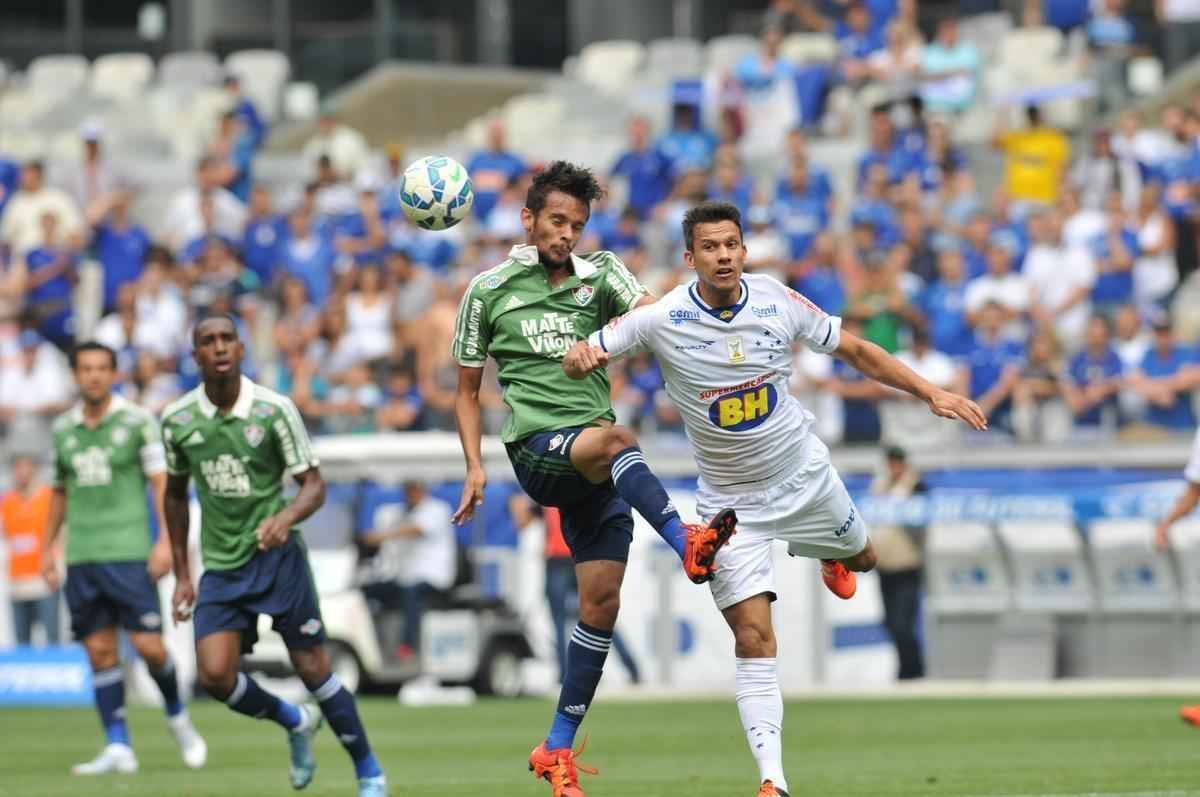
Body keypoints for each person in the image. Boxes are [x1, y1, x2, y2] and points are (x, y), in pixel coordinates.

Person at [563, 201, 986, 797]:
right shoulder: (662, 318)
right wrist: (581, 357)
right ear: (691, 258)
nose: (724, 255)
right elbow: (588, 352)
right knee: (753, 638)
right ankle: (774, 781)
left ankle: (829, 551)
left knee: (864, 560)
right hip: (730, 508)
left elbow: (857, 352)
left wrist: (930, 392)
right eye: (710, 247)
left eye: (732, 244)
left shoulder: (775, 300)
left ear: (744, 248)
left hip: (803, 477)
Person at [450, 162, 737, 796]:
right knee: (618, 437)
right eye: (556, 221)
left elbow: (654, 318)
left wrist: (624, 335)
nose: (567, 235)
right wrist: (474, 464)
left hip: (598, 468)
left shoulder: (601, 273)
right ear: (529, 220)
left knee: (600, 607)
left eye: (577, 225)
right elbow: (467, 391)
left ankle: (555, 751)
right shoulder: (489, 290)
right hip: (540, 451)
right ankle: (687, 540)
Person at [162, 315, 388, 796]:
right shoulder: (177, 420)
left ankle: (369, 770)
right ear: (196, 355)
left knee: (313, 669)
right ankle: (293, 720)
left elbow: (314, 486)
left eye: (227, 339)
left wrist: (284, 518)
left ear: (241, 349)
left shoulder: (274, 410)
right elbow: (175, 496)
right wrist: (184, 574)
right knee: (216, 677)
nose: (219, 347)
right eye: (208, 341)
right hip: (222, 565)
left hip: (278, 561)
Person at [40, 341, 205, 774]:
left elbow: (162, 485)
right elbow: (58, 492)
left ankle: (177, 716)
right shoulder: (63, 429)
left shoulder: (137, 422)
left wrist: (166, 543)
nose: (93, 375)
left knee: (150, 647)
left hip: (130, 553)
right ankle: (118, 745)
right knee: (99, 652)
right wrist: (48, 547)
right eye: (86, 368)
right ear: (76, 375)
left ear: (113, 374)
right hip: (82, 556)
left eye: (101, 368)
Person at [359, 480, 456, 655]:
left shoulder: (438, 509)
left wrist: (382, 536)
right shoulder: (400, 511)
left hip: (435, 580)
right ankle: (372, 645)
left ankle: (408, 647)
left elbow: (417, 529)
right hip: (404, 579)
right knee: (367, 591)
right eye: (406, 488)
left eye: (412, 488)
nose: (409, 493)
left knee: (410, 593)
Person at [869, 446, 927, 680]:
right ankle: (907, 668)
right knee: (891, 623)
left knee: (904, 624)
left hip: (907, 566)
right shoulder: (879, 488)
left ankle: (912, 671)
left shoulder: (916, 488)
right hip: (885, 567)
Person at [3, 451, 58, 646]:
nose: (23, 472)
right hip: (18, 582)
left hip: (43, 579)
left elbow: (60, 534)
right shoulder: (6, 502)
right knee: (22, 642)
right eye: (18, 468)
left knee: (51, 639)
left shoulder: (48, 498)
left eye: (27, 467)